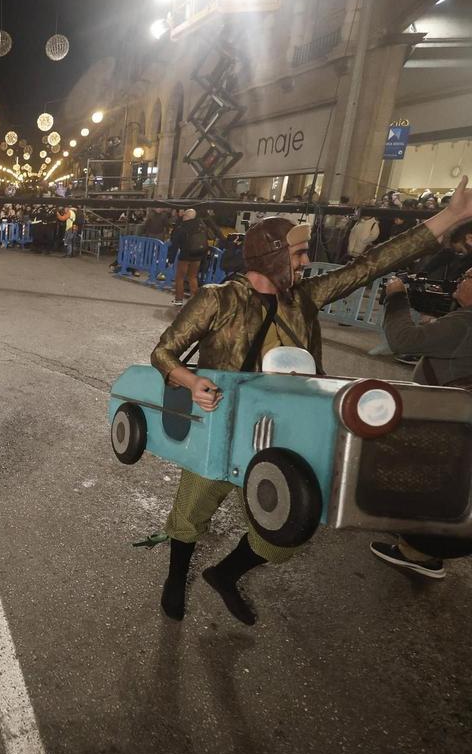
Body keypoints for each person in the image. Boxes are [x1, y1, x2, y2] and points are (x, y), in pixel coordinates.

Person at [150, 176, 472, 626]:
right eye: (299, 254)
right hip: (220, 422)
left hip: (287, 432)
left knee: (286, 529)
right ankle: (175, 578)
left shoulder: (304, 298)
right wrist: (189, 381)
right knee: (190, 512)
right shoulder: (217, 299)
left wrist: (451, 216)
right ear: (272, 253)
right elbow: (163, 353)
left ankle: (224, 575)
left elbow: (372, 264)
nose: (306, 263)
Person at [369, 268, 472, 578]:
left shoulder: (464, 323)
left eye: (468, 276)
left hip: (447, 421)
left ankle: (419, 551)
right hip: (458, 422)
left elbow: (403, 340)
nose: (460, 280)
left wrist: (397, 296)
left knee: (421, 476)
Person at [169, 208, 212, 306]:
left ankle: (179, 299)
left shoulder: (183, 227)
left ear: (187, 217)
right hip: (197, 256)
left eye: (184, 215)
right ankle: (194, 301)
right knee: (193, 277)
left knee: (180, 277)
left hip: (185, 256)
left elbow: (175, 244)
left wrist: (170, 258)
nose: (183, 217)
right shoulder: (201, 226)